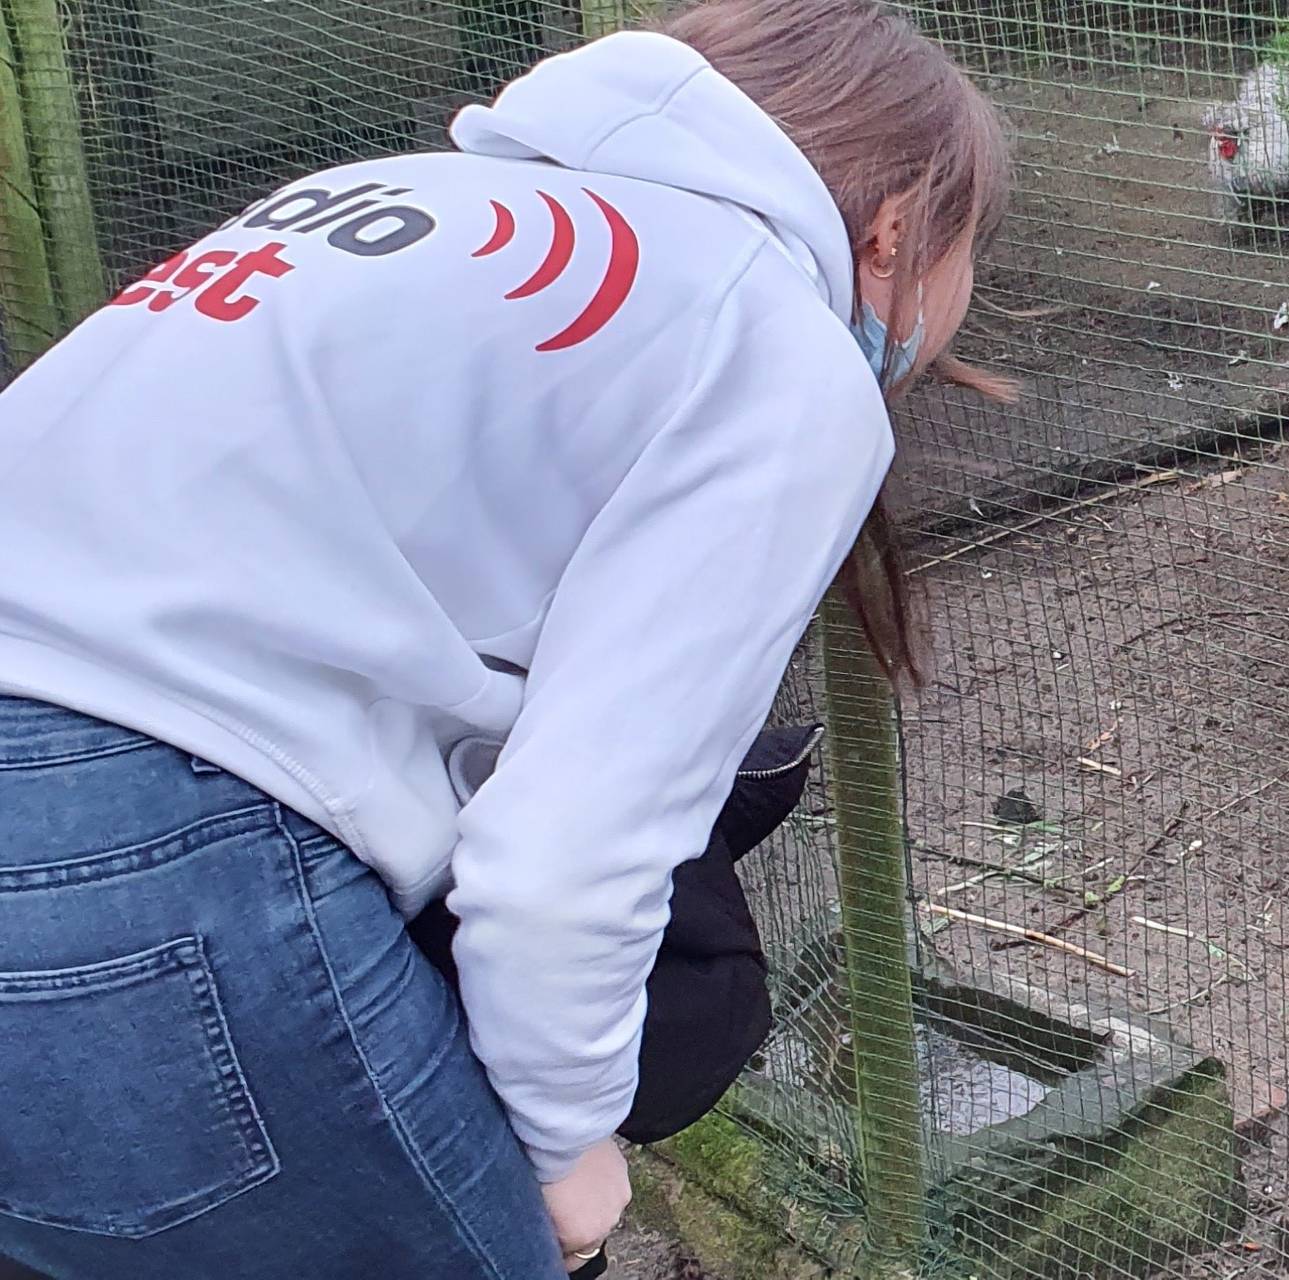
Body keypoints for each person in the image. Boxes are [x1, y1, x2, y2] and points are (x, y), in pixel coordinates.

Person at [0, 0, 1011, 1273]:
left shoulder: (372, 197)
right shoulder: (765, 335)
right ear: (895, 231)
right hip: (141, 869)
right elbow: (565, 854)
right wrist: (560, 1144)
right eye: (974, 253)